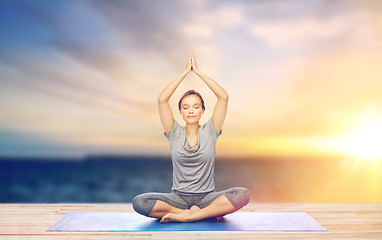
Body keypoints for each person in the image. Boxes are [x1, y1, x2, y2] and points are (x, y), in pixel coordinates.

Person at [132, 47, 250, 223]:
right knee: (139, 202)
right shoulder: (173, 132)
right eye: (185, 107)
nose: (191, 111)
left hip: (207, 198)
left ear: (203, 110)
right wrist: (185, 73)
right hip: (178, 199)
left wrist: (199, 73)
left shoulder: (211, 130)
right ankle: (200, 213)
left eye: (196, 106)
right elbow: (162, 99)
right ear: (180, 112)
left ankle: (191, 216)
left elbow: (223, 97)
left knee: (242, 194)